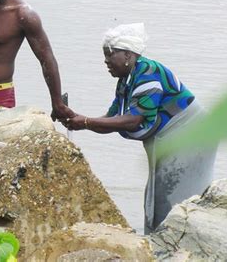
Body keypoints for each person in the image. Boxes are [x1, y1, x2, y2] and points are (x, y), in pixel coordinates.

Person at [61, 23, 216, 234]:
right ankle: (156, 244)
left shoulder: (148, 75)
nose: (105, 60)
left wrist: (86, 121)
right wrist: (78, 121)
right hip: (170, 139)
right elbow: (112, 119)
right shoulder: (127, 80)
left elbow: (133, 120)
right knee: (156, 196)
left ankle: (175, 246)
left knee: (172, 197)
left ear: (127, 54)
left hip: (190, 137)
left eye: (110, 54)